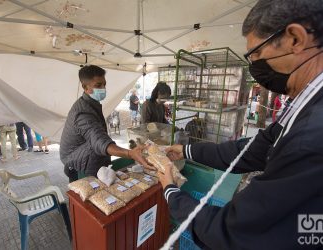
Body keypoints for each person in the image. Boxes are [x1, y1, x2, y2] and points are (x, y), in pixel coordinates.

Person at [157, 0, 323, 249]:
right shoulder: (305, 104)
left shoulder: (310, 136)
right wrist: (186, 150)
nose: (254, 66)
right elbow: (253, 149)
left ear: (295, 39)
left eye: (256, 54)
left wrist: (170, 190)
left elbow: (231, 232)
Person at [60, 65, 150, 183]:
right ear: (85, 87)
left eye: (104, 84)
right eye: (98, 85)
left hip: (83, 156)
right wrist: (130, 153)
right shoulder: (82, 112)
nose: (103, 88)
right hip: (76, 164)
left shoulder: (92, 104)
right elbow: (99, 140)